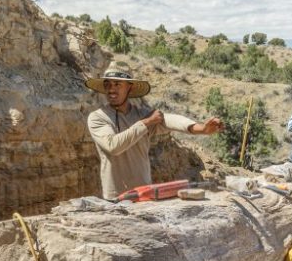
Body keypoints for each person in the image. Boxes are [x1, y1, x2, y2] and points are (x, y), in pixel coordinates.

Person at [85, 61, 224, 200]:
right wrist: (146, 123)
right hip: (115, 198)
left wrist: (201, 129)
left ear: (130, 88)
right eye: (108, 84)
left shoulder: (141, 114)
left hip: (145, 195)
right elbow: (113, 146)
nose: (111, 89)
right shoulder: (97, 117)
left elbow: (169, 120)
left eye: (117, 84)